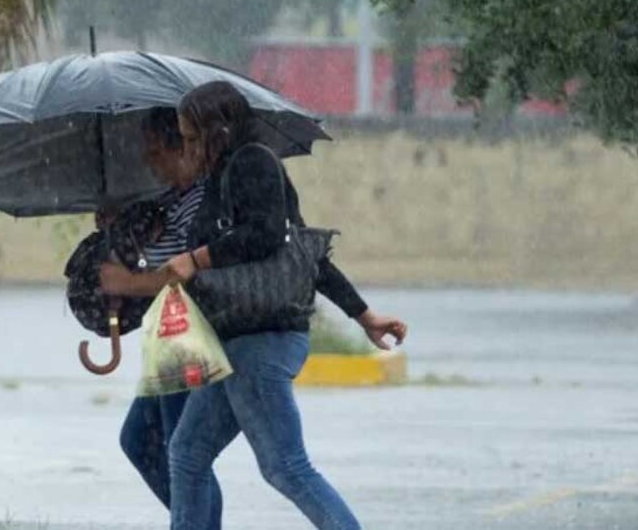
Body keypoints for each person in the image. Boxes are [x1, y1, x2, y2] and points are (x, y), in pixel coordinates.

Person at [149, 81, 406, 529]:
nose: (186, 147)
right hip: (235, 341)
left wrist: (197, 258)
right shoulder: (221, 177)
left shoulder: (253, 162)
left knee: (285, 466)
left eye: (192, 138)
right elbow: (303, 254)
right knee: (187, 454)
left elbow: (268, 236)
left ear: (218, 131)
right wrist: (365, 315)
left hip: (261, 340)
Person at [95, 107, 224, 524]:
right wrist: (118, 224)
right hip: (168, 339)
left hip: (189, 338)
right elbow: (153, 250)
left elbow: (184, 277)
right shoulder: (171, 201)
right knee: (140, 440)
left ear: (184, 148)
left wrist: (126, 283)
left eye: (156, 152)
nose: (149, 163)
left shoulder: (203, 203)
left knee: (183, 453)